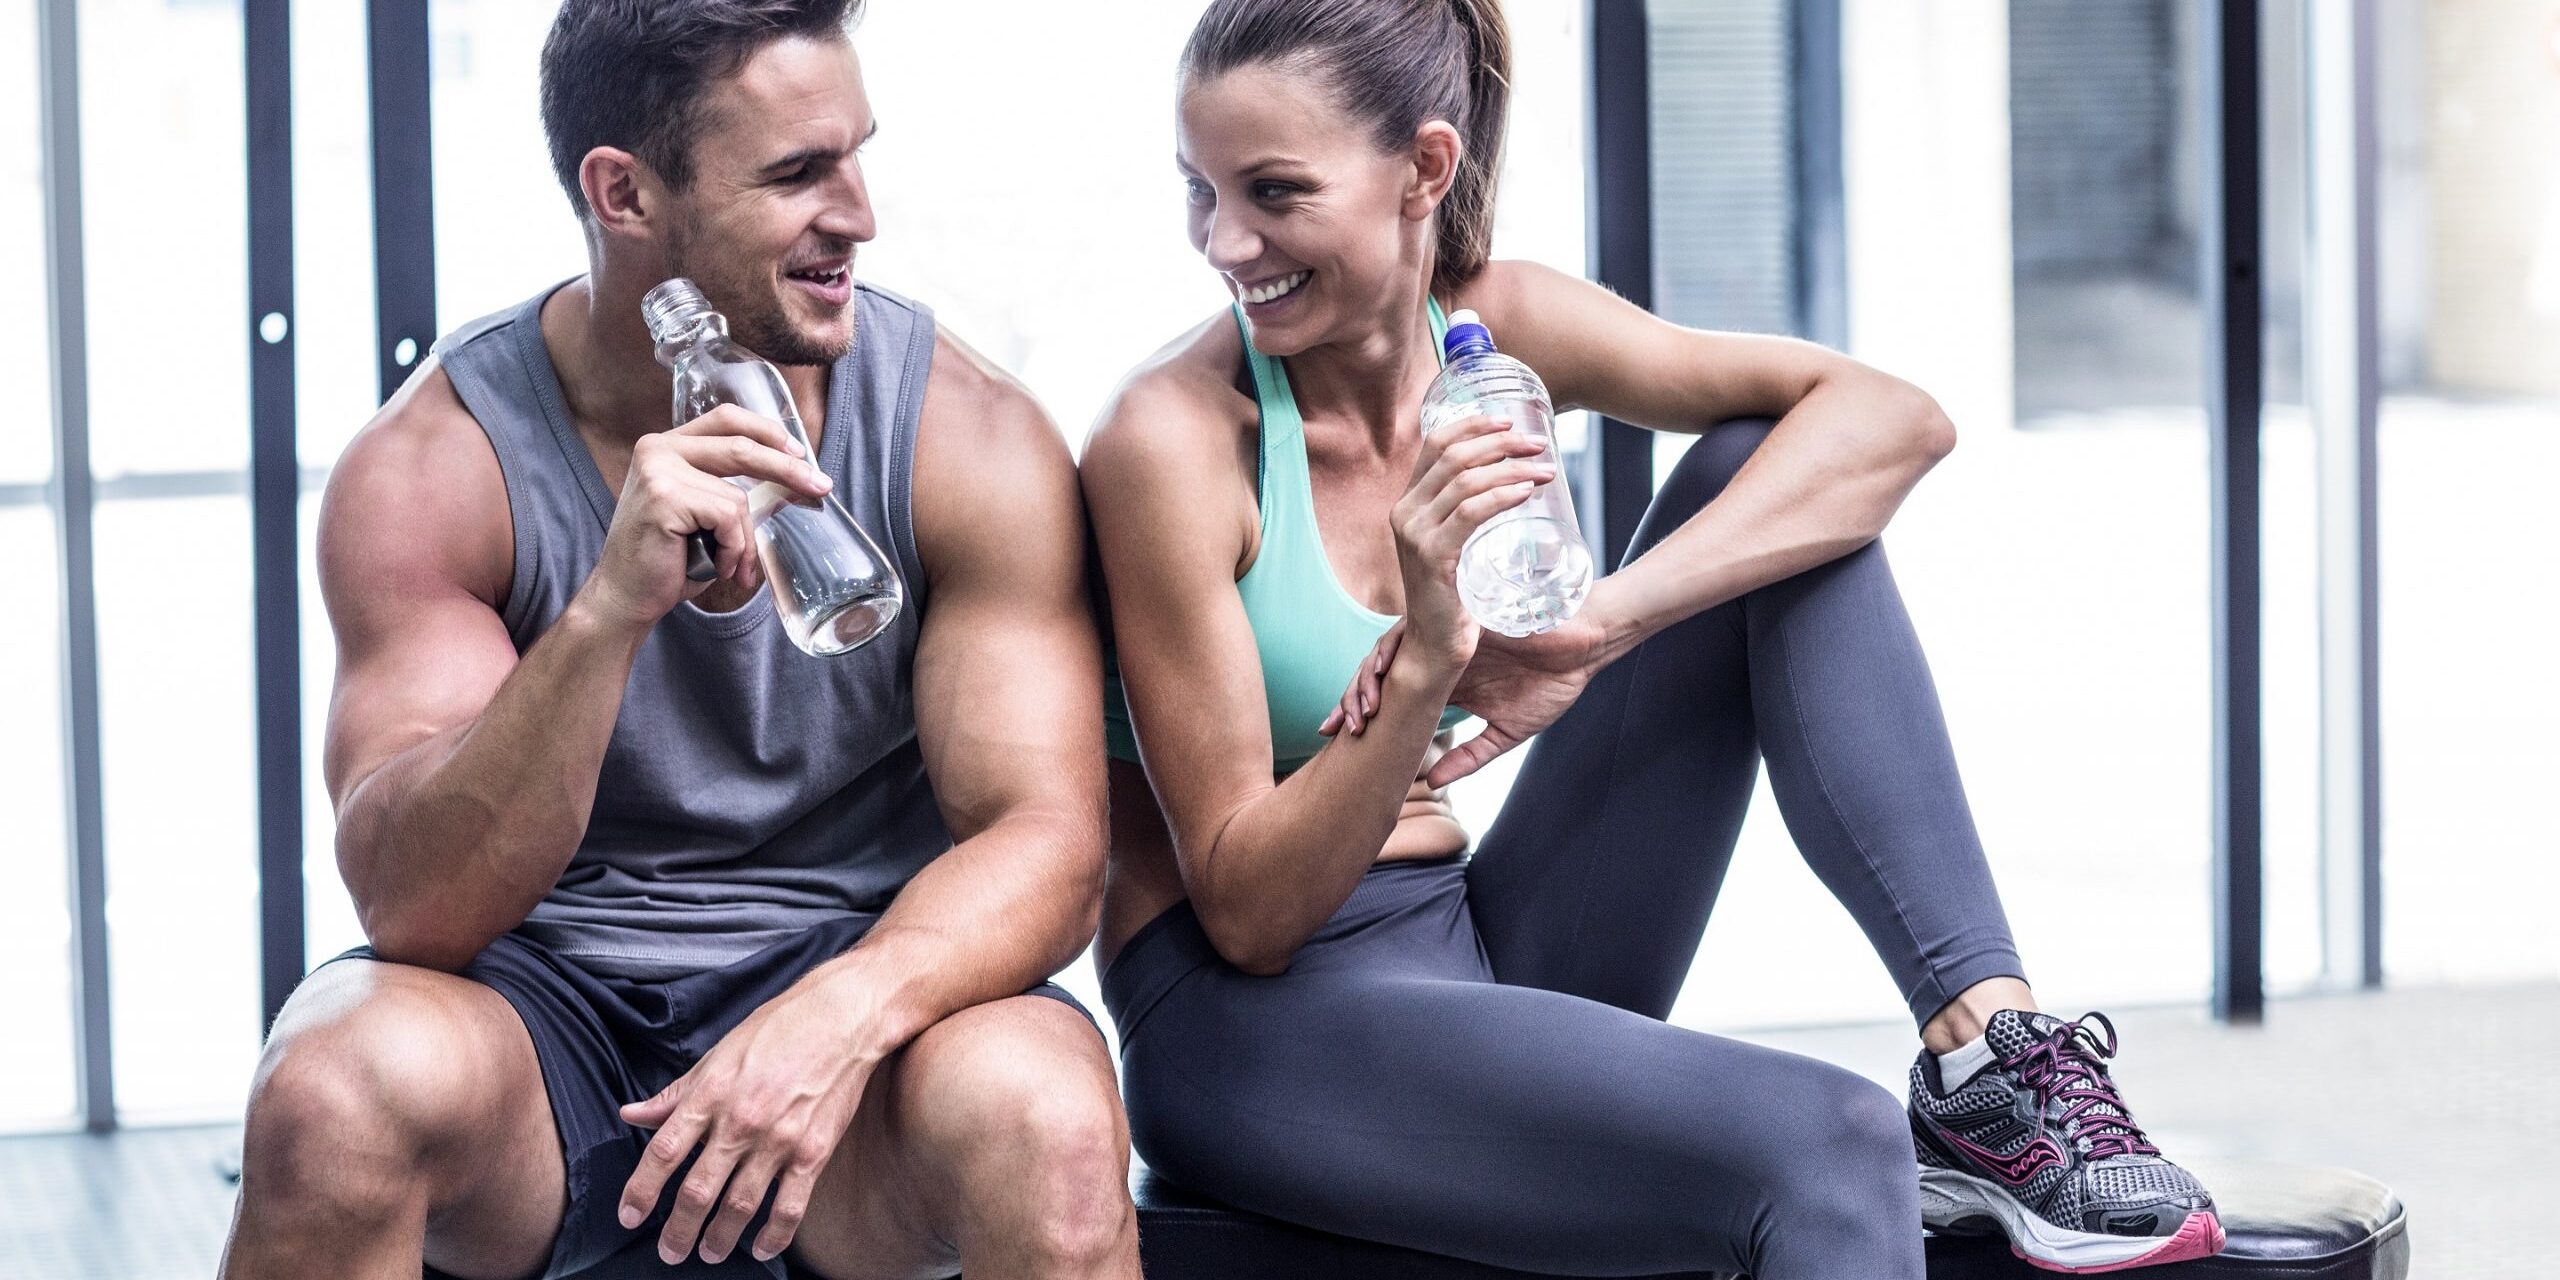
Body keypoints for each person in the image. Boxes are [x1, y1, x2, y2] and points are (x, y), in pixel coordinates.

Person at [1081, 0, 2222, 1275]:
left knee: (1769, 480)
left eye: (1274, 192)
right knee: (1835, 1140)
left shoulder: (1492, 329)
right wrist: (1428, 656)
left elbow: (1893, 421)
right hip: (1253, 1023)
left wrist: (1599, 625)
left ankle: (1984, 1056)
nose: (1224, 242)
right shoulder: (1171, 442)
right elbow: (1246, 912)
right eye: (1199, 190)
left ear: (1424, 169)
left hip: (1472, 936)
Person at [219, 3, 1136, 1277]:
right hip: (545, 1020)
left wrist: (834, 1018)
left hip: (865, 1011)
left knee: (1053, 1119)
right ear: (624, 193)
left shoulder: (964, 435)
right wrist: (606, 612)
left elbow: (1048, 845)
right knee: (328, 1095)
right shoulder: (436, 465)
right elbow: (414, 905)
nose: (859, 215)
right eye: (797, 173)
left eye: (856, 156)